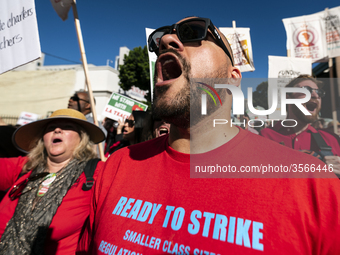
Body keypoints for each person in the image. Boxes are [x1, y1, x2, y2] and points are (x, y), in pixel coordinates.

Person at [77, 17, 340, 254]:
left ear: (233, 78)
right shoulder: (116, 167)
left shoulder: (312, 185)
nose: (167, 42)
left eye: (193, 32)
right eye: (162, 40)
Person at [0, 109, 105, 254]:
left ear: (82, 138)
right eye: (50, 128)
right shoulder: (25, 166)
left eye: (68, 127)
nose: (57, 130)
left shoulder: (97, 173)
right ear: (43, 138)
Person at [260, 75, 340, 176]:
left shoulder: (332, 140)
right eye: (306, 90)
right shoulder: (266, 137)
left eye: (319, 92)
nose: (315, 95)